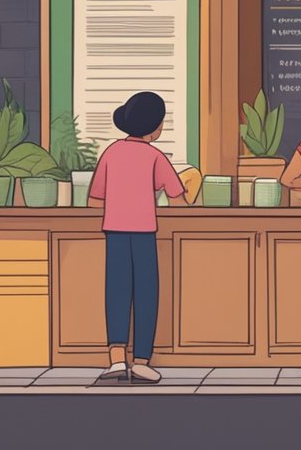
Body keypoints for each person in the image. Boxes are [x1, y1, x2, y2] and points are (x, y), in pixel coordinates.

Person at [88, 91, 184, 385]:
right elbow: (178, 200)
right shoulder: (156, 157)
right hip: (144, 234)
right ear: (155, 127)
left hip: (114, 232)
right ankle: (142, 361)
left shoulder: (111, 153)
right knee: (145, 295)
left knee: (116, 293)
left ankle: (117, 359)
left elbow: (94, 200)